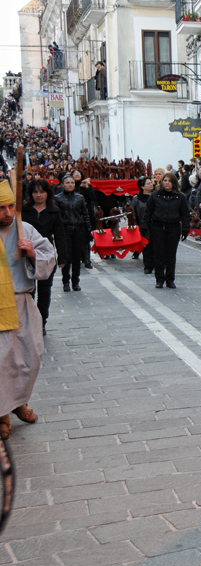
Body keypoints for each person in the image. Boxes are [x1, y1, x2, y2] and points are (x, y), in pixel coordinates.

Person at [0, 180, 56, 440]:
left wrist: (32, 252)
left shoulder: (26, 229)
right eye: (1, 208)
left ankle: (18, 402)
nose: (8, 213)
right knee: (2, 362)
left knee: (29, 357)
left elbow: (49, 256)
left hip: (22, 302)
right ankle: (3, 414)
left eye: (11, 206)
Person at [22, 179, 66, 336]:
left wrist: (62, 257)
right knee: (29, 290)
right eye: (35, 192)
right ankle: (29, 321)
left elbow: (60, 234)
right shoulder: (24, 211)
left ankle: (41, 321)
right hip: (26, 255)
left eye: (42, 192)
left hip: (45, 254)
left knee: (45, 291)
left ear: (47, 193)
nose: (39, 195)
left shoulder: (53, 211)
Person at [144, 173, 190, 289]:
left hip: (173, 227)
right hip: (158, 227)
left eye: (169, 181)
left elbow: (185, 214)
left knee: (171, 254)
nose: (167, 183)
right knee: (159, 254)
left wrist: (185, 229)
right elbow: (148, 212)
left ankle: (170, 279)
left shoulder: (180, 197)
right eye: (165, 180)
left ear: (174, 183)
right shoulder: (155, 196)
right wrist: (145, 226)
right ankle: (159, 279)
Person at [54, 174, 90, 291]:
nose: (70, 185)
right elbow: (56, 216)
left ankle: (76, 281)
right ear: (63, 184)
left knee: (76, 257)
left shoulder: (79, 197)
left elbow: (85, 214)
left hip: (78, 229)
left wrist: (88, 230)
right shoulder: (57, 198)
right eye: (68, 183)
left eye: (72, 183)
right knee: (66, 257)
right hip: (65, 230)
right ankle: (65, 281)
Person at [131, 176, 155, 274]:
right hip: (143, 225)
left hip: (156, 224)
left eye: (151, 183)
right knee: (147, 246)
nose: (151, 185)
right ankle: (148, 266)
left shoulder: (156, 196)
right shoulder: (136, 199)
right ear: (142, 187)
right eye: (148, 183)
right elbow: (133, 214)